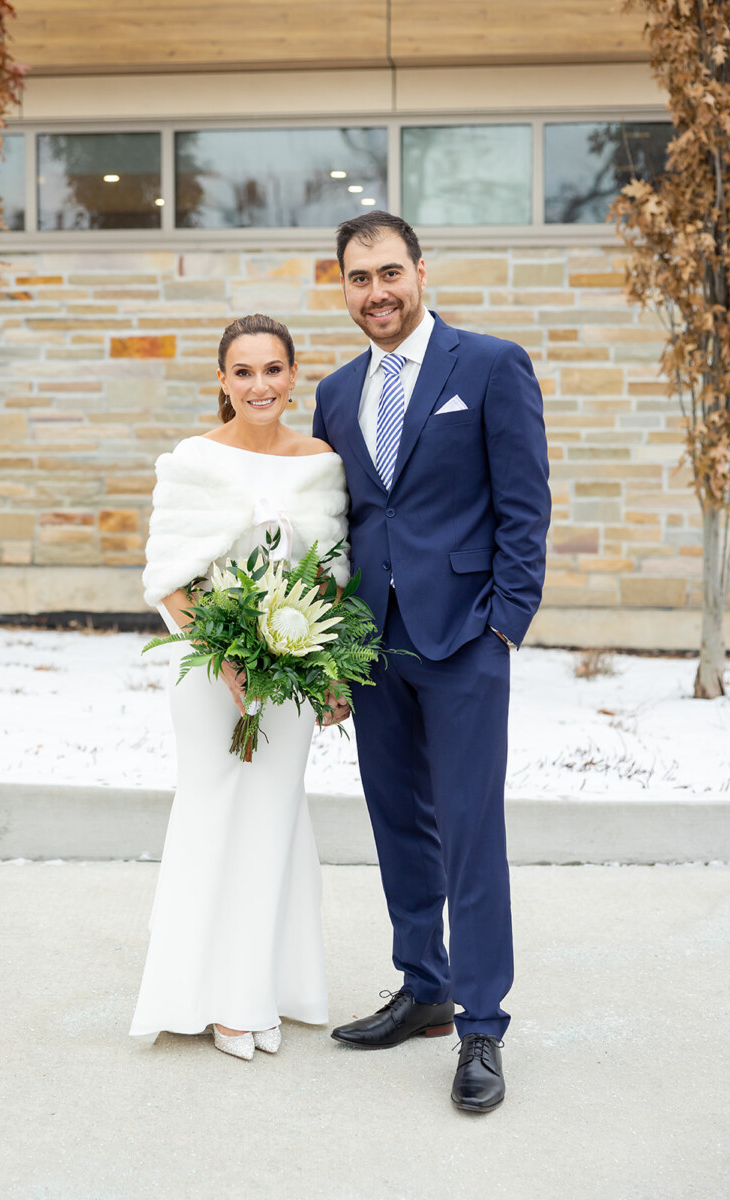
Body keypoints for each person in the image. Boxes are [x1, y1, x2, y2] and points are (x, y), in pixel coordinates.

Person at [313, 212, 550, 1112]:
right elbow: (340, 522)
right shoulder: (336, 391)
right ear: (342, 287)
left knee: (469, 832)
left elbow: (525, 504)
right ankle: (425, 988)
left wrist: (505, 626)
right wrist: (332, 645)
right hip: (373, 643)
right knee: (397, 824)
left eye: (389, 272)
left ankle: (482, 1024)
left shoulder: (489, 365)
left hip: (463, 640)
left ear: (420, 270)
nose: (375, 292)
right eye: (358, 277)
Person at [131, 313, 349, 1060]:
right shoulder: (192, 460)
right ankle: (206, 997)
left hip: (290, 673)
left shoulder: (320, 462)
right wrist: (225, 656)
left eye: (273, 369)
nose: (260, 385)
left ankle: (259, 990)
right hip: (208, 673)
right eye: (245, 372)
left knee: (275, 818)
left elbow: (330, 579)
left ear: (293, 376)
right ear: (222, 381)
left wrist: (322, 667)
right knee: (213, 812)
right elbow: (170, 578)